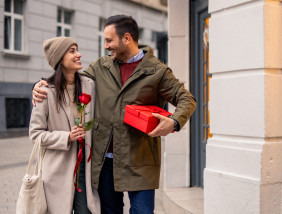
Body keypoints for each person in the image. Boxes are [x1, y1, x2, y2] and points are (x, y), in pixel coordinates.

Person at [33, 15, 196, 213]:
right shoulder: (101, 66)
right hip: (104, 162)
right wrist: (41, 85)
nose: (106, 46)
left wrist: (174, 122)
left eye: (109, 40)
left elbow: (186, 99)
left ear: (126, 38)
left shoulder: (157, 71)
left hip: (140, 160)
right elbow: (71, 79)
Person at [29, 37, 101, 214]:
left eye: (77, 49)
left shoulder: (88, 85)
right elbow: (35, 134)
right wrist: (66, 137)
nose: (79, 54)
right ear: (60, 58)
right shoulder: (45, 92)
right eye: (72, 51)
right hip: (57, 171)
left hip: (84, 167)